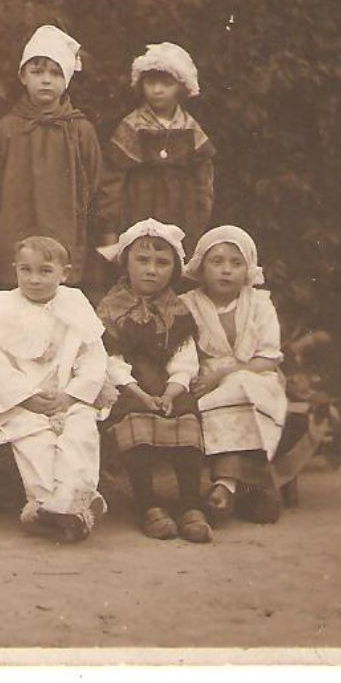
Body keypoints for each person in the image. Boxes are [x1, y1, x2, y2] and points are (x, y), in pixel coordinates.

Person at [0, 235, 112, 542]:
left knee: (80, 431)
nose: (34, 279)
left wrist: (71, 395)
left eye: (45, 271)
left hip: (68, 396)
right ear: (14, 269)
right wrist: (27, 398)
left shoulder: (74, 303)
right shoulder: (0, 306)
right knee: (33, 440)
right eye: (26, 270)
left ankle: (70, 502)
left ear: (64, 273)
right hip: (22, 399)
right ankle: (56, 505)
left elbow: (92, 355)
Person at [95, 219, 211, 543]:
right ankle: (148, 505)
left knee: (187, 414)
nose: (151, 270)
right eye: (142, 261)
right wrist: (141, 394)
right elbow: (110, 361)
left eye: (162, 263)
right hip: (128, 386)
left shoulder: (178, 309)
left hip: (168, 385)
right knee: (134, 419)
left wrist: (173, 391)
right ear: (125, 263)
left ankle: (190, 504)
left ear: (174, 268)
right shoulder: (110, 307)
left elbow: (184, 359)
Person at [179, 225, 289, 526]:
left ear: (248, 268)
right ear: (201, 266)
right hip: (204, 382)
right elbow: (184, 355)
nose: (226, 270)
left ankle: (225, 485)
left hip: (256, 377)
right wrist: (207, 378)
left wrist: (226, 373)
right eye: (217, 262)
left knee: (242, 388)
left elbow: (267, 358)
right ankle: (256, 488)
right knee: (220, 401)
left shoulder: (259, 304)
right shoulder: (187, 305)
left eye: (236, 263)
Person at [0, 24, 102, 287]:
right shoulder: (9, 126)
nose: (45, 80)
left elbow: (92, 183)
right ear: (23, 76)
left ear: (67, 79)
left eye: (55, 73)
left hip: (64, 226)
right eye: (37, 72)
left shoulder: (79, 129)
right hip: (16, 223)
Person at [96, 42, 215, 252]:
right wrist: (110, 230)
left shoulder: (190, 129)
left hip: (182, 215)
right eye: (150, 82)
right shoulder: (132, 127)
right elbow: (112, 181)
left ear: (181, 86)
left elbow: (203, 181)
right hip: (138, 211)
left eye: (166, 84)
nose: (157, 90)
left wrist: (199, 218)